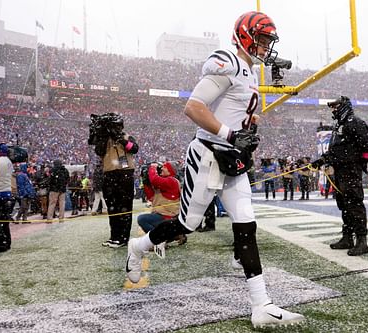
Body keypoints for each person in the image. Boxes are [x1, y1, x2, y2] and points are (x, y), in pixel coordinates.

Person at [125, 11, 304, 328]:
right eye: (262, 40)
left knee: (246, 225)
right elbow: (193, 107)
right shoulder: (228, 62)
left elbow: (244, 116)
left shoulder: (250, 74)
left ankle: (261, 304)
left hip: (232, 160)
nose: (266, 47)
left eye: (268, 42)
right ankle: (138, 247)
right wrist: (231, 134)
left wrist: (249, 127)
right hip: (208, 154)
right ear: (246, 36)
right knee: (187, 224)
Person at [311, 96, 368, 256]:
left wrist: (355, 160)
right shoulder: (339, 124)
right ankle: (347, 237)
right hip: (340, 171)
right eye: (331, 107)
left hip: (351, 171)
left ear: (344, 106)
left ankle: (362, 241)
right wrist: (322, 160)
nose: (333, 110)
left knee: (354, 205)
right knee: (344, 205)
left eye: (335, 106)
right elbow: (336, 150)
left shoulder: (355, 122)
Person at [93, 113, 139, 248]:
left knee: (124, 207)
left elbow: (134, 148)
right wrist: (103, 136)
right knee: (112, 208)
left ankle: (123, 238)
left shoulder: (127, 137)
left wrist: (121, 139)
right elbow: (99, 151)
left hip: (125, 174)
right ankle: (114, 236)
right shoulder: (104, 141)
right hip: (109, 175)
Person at [137, 161, 186, 245]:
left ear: (170, 171)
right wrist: (145, 182)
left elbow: (155, 180)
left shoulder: (172, 180)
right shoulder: (164, 182)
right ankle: (174, 235)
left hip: (168, 216)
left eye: (164, 167)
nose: (162, 168)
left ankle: (159, 240)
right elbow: (151, 197)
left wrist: (152, 168)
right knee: (145, 219)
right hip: (164, 215)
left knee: (142, 219)